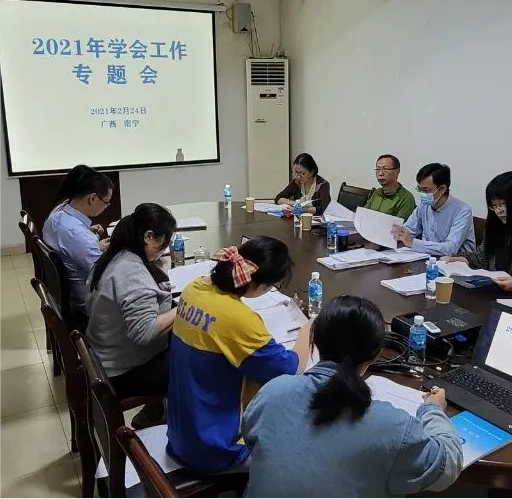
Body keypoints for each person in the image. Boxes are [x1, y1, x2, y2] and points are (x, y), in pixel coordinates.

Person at [243, 296, 463, 497]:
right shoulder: (392, 426)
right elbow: (448, 466)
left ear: (314, 340)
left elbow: (255, 443)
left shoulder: (272, 392)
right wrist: (433, 409)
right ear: (376, 355)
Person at [166, 237, 312, 474]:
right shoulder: (238, 318)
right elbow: (291, 368)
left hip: (181, 433)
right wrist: (308, 329)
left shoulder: (195, 289)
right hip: (215, 449)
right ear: (262, 286)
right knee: (304, 450)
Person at [86, 203, 177, 417]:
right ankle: (169, 420)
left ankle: (154, 413)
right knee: (198, 360)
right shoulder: (131, 271)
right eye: (163, 244)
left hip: (105, 354)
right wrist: (185, 306)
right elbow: (144, 333)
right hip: (121, 372)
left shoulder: (116, 255)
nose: (163, 251)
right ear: (149, 237)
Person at [43, 165, 114, 318]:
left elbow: (73, 245)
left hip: (70, 294)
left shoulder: (59, 212)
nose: (107, 206)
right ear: (92, 198)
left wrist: (95, 245)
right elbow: (108, 277)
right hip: (89, 304)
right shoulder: (78, 234)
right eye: (107, 201)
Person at [391, 163, 475, 256]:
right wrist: (398, 233)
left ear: (442, 189)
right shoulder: (424, 205)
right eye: (419, 189)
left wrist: (413, 242)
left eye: (426, 190)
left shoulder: (463, 211)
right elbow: (408, 230)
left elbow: (450, 249)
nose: (422, 194)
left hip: (456, 261)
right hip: (427, 257)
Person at [364, 154, 416, 220]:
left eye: (385, 169)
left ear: (397, 172)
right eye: (378, 169)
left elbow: (399, 224)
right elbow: (364, 213)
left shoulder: (406, 198)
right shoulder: (377, 192)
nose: (380, 173)